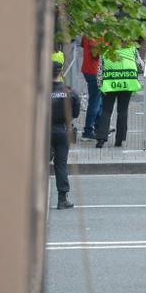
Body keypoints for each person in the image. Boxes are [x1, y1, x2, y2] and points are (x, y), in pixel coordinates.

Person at [97, 44, 142, 148]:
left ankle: (101, 139)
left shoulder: (105, 50)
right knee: (122, 111)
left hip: (109, 83)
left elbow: (100, 68)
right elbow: (141, 66)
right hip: (127, 83)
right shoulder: (132, 49)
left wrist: (100, 85)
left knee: (106, 111)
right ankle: (119, 140)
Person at [49, 60, 80, 210]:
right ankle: (62, 199)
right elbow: (75, 112)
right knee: (61, 165)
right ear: (61, 73)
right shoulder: (70, 92)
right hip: (62, 130)